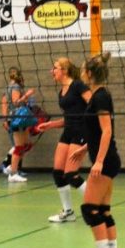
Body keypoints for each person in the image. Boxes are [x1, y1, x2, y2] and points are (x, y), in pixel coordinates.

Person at [68, 53, 122, 248]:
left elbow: (107, 130)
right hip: (109, 159)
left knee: (89, 209)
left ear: (89, 74)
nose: (81, 73)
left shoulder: (99, 97)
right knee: (103, 210)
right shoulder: (99, 95)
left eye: (83, 70)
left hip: (106, 160)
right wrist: (85, 149)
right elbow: (97, 132)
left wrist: (98, 161)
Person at [36, 58, 90, 223]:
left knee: (71, 174)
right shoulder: (61, 92)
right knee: (58, 173)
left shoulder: (78, 86)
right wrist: (51, 125)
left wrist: (94, 132)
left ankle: (97, 205)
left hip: (81, 131)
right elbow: (69, 118)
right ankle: (68, 212)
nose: (52, 71)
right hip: (68, 132)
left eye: (55, 68)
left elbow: (94, 107)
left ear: (64, 70)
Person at [0, 66, 35, 183]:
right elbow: (16, 102)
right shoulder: (15, 87)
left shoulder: (8, 88)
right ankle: (13, 173)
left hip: (17, 118)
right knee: (19, 146)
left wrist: (5, 119)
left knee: (27, 144)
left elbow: (4, 104)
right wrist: (27, 95)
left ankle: (11, 167)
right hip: (17, 118)